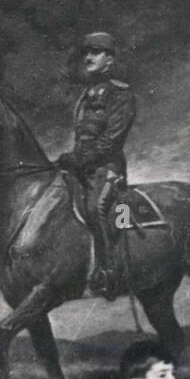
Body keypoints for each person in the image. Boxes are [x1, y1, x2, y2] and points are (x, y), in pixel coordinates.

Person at [56, 31, 136, 299]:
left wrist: (80, 159)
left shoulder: (121, 94)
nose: (88, 57)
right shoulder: (85, 95)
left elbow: (112, 141)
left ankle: (110, 272)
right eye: (86, 52)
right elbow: (83, 138)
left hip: (107, 169)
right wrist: (70, 158)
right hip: (83, 169)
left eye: (96, 52)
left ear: (110, 59)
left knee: (95, 208)